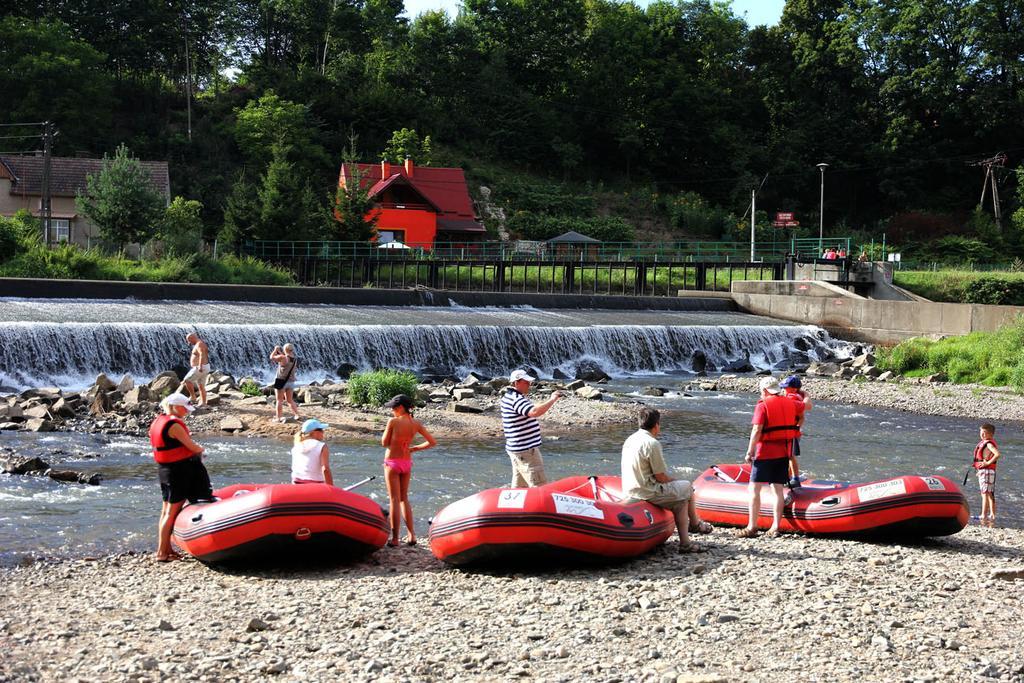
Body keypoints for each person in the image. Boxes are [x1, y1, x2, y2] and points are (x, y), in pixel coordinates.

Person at [621, 407, 712, 553]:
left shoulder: (630, 439)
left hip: (630, 489)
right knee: (687, 486)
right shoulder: (652, 443)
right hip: (648, 491)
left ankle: (687, 541)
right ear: (656, 425)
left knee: (681, 501)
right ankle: (694, 525)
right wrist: (675, 480)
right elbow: (661, 477)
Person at [736, 376, 801, 538]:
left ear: (765, 390)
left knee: (754, 489)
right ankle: (775, 526)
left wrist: (749, 452)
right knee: (778, 490)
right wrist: (804, 393)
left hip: (764, 452)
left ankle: (752, 526)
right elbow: (806, 407)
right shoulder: (791, 402)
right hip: (784, 452)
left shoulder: (763, 405)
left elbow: (757, 430)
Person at [150, 393, 212, 562]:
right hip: (178, 472)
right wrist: (201, 450)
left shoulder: (160, 420)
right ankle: (162, 553)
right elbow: (191, 446)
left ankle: (166, 548)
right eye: (185, 408)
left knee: (166, 511)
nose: (187, 412)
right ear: (176, 407)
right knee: (171, 513)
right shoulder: (174, 425)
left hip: (165, 470)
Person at [381, 394, 436, 546]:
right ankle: (412, 535)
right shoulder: (416, 423)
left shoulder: (392, 421)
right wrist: (413, 449)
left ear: (400, 408)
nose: (391, 410)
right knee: (404, 498)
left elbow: (384, 443)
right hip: (406, 462)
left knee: (394, 500)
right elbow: (432, 442)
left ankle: (395, 539)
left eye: (393, 407)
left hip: (392, 462)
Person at [500, 369, 562, 487]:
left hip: (517, 449)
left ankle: (514, 504)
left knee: (519, 487)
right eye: (526, 382)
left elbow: (530, 408)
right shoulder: (516, 399)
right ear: (517, 382)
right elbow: (534, 412)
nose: (529, 384)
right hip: (526, 451)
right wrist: (552, 400)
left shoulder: (509, 397)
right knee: (539, 486)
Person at [779, 375, 812, 488]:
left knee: (790, 456)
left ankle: (795, 478)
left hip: (791, 433)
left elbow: (804, 412)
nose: (783, 389)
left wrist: (796, 428)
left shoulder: (793, 397)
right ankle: (788, 477)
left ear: (793, 389)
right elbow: (802, 417)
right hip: (791, 431)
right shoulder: (793, 396)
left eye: (785, 387)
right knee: (788, 456)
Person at [973, 423, 1001, 524]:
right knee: (989, 493)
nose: (982, 434)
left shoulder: (988, 443)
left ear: (991, 434)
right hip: (986, 471)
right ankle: (992, 515)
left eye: (985, 433)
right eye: (981, 432)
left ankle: (983, 515)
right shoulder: (985, 443)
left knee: (984, 493)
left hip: (987, 471)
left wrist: (987, 463)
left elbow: (997, 454)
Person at [291, 419, 333, 486]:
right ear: (314, 432)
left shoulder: (296, 446)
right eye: (321, 430)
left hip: (296, 484)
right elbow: (325, 469)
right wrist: (331, 488)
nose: (323, 432)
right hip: (315, 486)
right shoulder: (322, 446)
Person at [270, 343, 301, 423]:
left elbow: (272, 357)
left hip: (281, 381)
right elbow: (286, 359)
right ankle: (297, 415)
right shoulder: (294, 358)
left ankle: (278, 418)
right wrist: (280, 353)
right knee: (290, 400)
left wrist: (275, 350)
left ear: (285, 350)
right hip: (291, 382)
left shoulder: (283, 357)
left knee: (279, 400)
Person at [180, 332, 210, 407]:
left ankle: (193, 397)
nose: (189, 342)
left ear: (192, 338)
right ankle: (203, 403)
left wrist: (200, 366)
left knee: (187, 380)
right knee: (201, 386)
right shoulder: (200, 343)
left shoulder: (199, 344)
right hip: (205, 367)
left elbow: (201, 355)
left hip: (200, 367)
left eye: (189, 340)